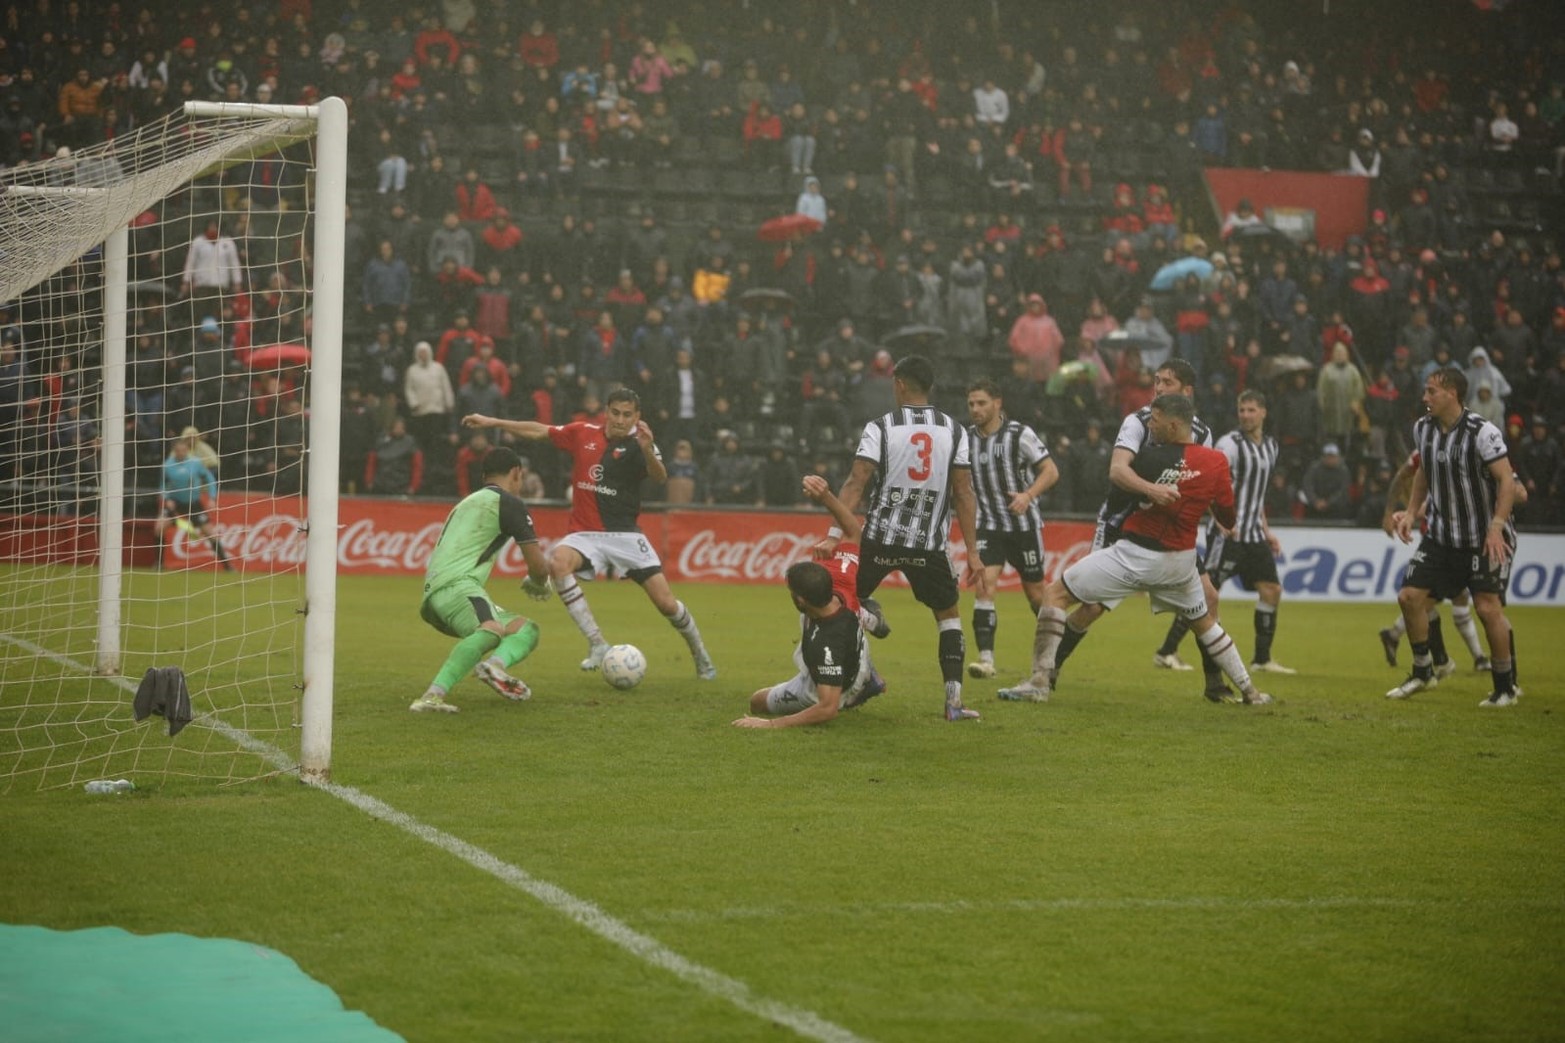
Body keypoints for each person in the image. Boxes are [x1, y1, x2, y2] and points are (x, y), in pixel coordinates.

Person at [997, 394, 1273, 706]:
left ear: (1172, 425)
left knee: (1054, 595)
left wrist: (1147, 494)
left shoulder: (1150, 460)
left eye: (1154, 420)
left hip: (1135, 555)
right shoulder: (1217, 461)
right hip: (1181, 563)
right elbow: (1227, 517)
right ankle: (1251, 692)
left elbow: (1118, 497)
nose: (1150, 425)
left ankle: (1038, 681)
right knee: (1206, 623)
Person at [462, 388, 716, 678]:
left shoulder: (641, 443)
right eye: (616, 413)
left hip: (626, 536)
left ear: (637, 416)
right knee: (558, 562)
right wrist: (493, 422)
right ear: (606, 412)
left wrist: (647, 448)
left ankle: (700, 653)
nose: (621, 420)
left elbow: (659, 477)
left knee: (666, 603)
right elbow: (539, 431)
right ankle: (597, 643)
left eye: (627, 415)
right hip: (585, 534)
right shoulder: (582, 433)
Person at [1046, 360, 1234, 700]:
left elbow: (1199, 479)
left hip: (1165, 530)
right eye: (1157, 381)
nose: (1158, 388)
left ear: (1187, 392)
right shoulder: (1137, 422)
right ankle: (1050, 668)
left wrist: (1216, 513)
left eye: (1168, 382)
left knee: (1210, 597)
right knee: (1090, 608)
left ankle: (1214, 683)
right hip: (1122, 524)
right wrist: (1151, 490)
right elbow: (1117, 472)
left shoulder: (1203, 433)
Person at [815, 355, 983, 722]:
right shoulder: (955, 431)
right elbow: (964, 492)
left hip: (880, 538)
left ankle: (868, 647)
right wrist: (973, 552)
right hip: (929, 545)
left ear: (900, 385)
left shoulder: (882, 427)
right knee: (949, 616)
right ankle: (953, 703)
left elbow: (856, 482)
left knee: (841, 601)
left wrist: (833, 536)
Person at [1388, 368, 1519, 706]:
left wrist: (1495, 526)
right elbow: (1423, 473)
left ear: (1452, 393)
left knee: (1487, 609)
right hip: (1443, 537)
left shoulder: (1483, 432)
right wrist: (1413, 512)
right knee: (1409, 597)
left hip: (1483, 537)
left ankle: (1505, 687)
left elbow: (1506, 481)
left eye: (1431, 391)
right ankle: (1423, 672)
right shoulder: (1423, 429)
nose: (1425, 398)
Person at [734, 475, 889, 728]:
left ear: (801, 600)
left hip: (838, 680)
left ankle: (857, 690)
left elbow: (827, 709)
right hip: (856, 646)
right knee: (856, 615)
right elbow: (853, 531)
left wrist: (769, 725)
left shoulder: (825, 643)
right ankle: (870, 623)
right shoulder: (840, 578)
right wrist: (826, 497)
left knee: (757, 702)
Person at [409, 447, 552, 713]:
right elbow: (538, 566)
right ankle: (431, 696)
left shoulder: (466, 501)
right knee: (492, 628)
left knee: (526, 629)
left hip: (436, 596)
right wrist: (539, 581)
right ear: (516, 473)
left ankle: (495, 667)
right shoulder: (509, 503)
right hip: (459, 587)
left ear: (485, 476)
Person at [1164, 390, 1295, 674]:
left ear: (1263, 413)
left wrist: (1267, 531)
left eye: (1251, 410)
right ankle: (1167, 651)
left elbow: (1256, 496)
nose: (1246, 415)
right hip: (1227, 535)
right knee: (1206, 595)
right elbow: (1209, 483)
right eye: (1242, 410)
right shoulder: (1229, 444)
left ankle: (1261, 659)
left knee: (1271, 590)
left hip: (1253, 535)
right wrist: (1221, 520)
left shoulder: (1271, 447)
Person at [963, 379, 1060, 679]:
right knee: (984, 585)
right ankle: (986, 661)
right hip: (989, 525)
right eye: (971, 404)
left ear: (997, 403)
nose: (975, 409)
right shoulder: (965, 439)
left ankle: (1054, 653)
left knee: (1035, 594)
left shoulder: (1020, 434)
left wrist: (1027, 495)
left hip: (1023, 526)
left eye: (981, 403)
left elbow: (1051, 470)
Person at [154, 435, 232, 570]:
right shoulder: (167, 465)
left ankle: (227, 566)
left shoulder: (195, 463)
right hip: (175, 503)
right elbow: (163, 485)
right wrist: (167, 499)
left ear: (187, 450)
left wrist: (212, 498)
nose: (181, 453)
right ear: (174, 451)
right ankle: (159, 564)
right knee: (159, 528)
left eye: (184, 450)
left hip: (193, 503)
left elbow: (210, 479)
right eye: (178, 451)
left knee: (210, 533)